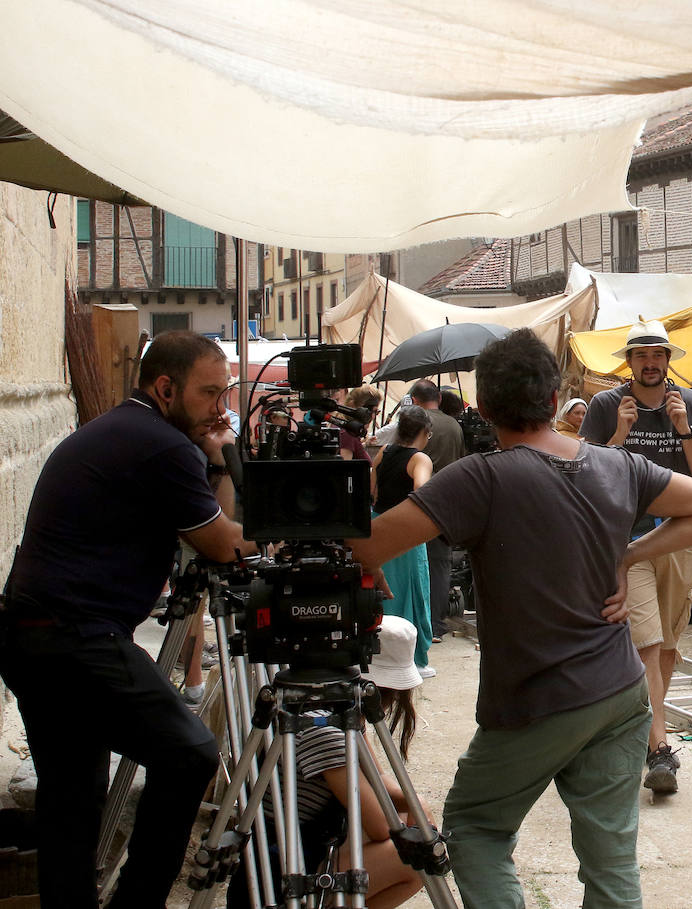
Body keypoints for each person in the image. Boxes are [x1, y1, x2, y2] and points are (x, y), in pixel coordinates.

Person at [348, 328, 692, 908]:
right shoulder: (617, 467)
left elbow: (364, 547)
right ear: (555, 401)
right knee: (611, 860)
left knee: (475, 826)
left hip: (534, 697)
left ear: (484, 408)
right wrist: (628, 554)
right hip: (619, 690)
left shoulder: (479, 478)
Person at [0, 330, 256, 909]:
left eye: (226, 393)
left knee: (72, 801)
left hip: (34, 637)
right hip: (74, 639)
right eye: (210, 394)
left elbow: (206, 522)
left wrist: (215, 460)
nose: (222, 409)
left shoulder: (131, 429)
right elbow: (221, 542)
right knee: (190, 752)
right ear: (165, 387)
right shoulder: (159, 445)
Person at [580, 318, 692, 794]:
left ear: (667, 360)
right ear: (630, 362)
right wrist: (618, 436)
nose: (650, 363)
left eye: (657, 355)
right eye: (641, 355)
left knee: (667, 646)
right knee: (644, 643)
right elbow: (587, 474)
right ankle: (660, 748)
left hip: (679, 538)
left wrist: (683, 428)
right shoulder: (605, 405)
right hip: (628, 541)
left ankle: (644, 728)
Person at [227, 614, 429, 909]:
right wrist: (416, 815)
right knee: (415, 860)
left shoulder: (336, 711)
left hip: (307, 851)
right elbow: (379, 825)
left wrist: (418, 805)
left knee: (420, 833)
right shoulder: (322, 727)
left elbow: (378, 782)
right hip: (281, 874)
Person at [371, 405, 436, 675]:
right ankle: (414, 660)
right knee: (414, 592)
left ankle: (382, 655)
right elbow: (422, 492)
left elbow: (372, 488)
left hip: (380, 527)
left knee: (383, 594)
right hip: (407, 533)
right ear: (425, 432)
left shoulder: (383, 452)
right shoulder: (420, 459)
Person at [404, 380, 467, 641]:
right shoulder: (454, 424)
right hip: (448, 503)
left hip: (416, 502)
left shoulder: (413, 421)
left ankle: (413, 623)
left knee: (413, 564)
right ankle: (436, 625)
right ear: (439, 397)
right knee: (440, 565)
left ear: (415, 400)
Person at [340, 385, 382, 463]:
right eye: (374, 411)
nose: (374, 416)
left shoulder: (351, 433)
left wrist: (365, 444)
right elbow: (343, 470)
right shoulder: (348, 435)